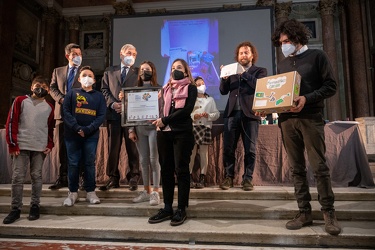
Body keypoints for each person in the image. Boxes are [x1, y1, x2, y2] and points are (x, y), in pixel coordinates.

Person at [271, 19, 340, 235]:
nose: (285, 45)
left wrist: (307, 99)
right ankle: (304, 212)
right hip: (287, 121)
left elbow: (331, 86)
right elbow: (280, 94)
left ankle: (329, 214)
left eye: (288, 40)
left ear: (299, 38)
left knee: (319, 167)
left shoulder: (317, 56)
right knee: (296, 169)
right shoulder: (282, 63)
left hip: (311, 117)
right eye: (281, 42)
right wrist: (268, 107)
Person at [148, 58, 197, 226]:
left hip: (182, 133)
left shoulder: (191, 88)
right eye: (173, 67)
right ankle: (167, 207)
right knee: (166, 170)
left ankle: (181, 208)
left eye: (179, 67)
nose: (175, 70)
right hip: (164, 134)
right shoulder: (165, 89)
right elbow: (157, 109)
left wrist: (165, 120)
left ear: (185, 72)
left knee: (181, 170)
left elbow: (186, 111)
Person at [3, 76, 54, 224]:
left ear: (49, 90)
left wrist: (49, 144)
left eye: (45, 87)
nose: (41, 88)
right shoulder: (20, 100)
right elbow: (11, 122)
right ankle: (15, 209)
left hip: (39, 147)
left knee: (36, 177)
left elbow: (50, 128)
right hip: (21, 145)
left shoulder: (49, 107)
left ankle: (35, 206)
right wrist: (12, 144)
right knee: (17, 177)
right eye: (38, 85)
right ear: (32, 87)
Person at [219, 41, 267, 191]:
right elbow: (223, 91)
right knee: (228, 148)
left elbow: (260, 86)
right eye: (241, 53)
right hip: (231, 114)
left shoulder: (260, 71)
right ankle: (228, 178)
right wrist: (224, 79)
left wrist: (244, 74)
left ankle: (247, 179)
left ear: (252, 55)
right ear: (237, 56)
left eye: (246, 52)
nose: (243, 55)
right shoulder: (231, 71)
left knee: (250, 149)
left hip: (250, 115)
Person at [62, 66, 106, 206]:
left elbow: (101, 115)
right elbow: (66, 112)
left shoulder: (99, 96)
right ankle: (72, 192)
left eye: (90, 75)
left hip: (91, 135)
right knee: (73, 163)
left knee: (89, 163)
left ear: (94, 80)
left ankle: (91, 192)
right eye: (84, 75)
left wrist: (88, 129)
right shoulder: (71, 93)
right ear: (79, 79)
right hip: (72, 134)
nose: (87, 77)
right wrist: (76, 127)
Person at [119, 61, 161, 206]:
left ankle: (156, 191)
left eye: (147, 69)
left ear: (153, 71)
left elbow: (162, 110)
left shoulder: (158, 90)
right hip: (139, 129)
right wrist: (131, 130)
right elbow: (129, 112)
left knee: (154, 160)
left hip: (154, 129)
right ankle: (146, 191)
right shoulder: (133, 90)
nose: (144, 72)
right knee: (143, 161)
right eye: (142, 69)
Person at [100, 44, 140, 191]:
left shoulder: (139, 72)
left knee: (132, 148)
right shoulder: (110, 71)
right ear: (121, 54)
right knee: (113, 148)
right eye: (129, 53)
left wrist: (128, 104)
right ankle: (113, 178)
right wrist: (112, 104)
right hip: (113, 115)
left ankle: (134, 176)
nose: (132, 56)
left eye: (134, 54)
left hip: (132, 116)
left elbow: (143, 92)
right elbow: (104, 90)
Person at [49, 43, 83, 190]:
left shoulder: (85, 71)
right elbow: (52, 88)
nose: (78, 56)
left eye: (80, 54)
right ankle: (62, 177)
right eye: (75, 54)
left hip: (79, 114)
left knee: (79, 146)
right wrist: (61, 99)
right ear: (67, 56)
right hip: (61, 114)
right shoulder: (58, 71)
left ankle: (80, 178)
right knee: (63, 147)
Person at [189, 76, 219, 189]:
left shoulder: (210, 100)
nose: (201, 86)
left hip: (205, 127)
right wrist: (194, 116)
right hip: (193, 127)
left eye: (202, 83)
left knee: (203, 154)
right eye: (198, 84)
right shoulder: (191, 99)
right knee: (191, 153)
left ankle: (202, 177)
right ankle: (189, 177)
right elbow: (187, 113)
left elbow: (216, 114)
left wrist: (208, 115)